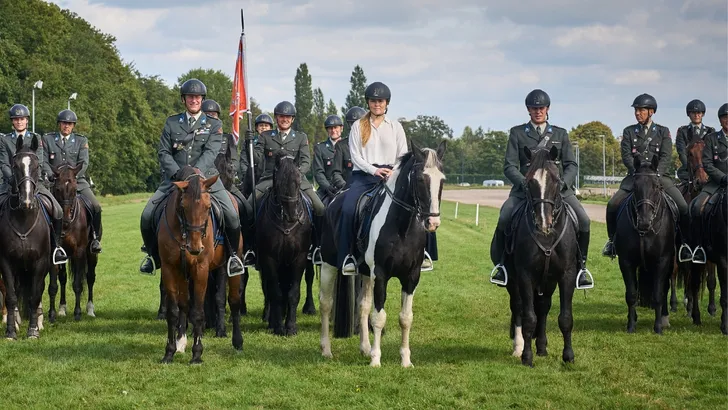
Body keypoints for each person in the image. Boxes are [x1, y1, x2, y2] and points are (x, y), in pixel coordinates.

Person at [489, 89, 593, 289]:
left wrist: (563, 183)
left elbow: (571, 164)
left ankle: (581, 268)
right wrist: (524, 183)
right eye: (534, 108)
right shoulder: (517, 133)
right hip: (525, 190)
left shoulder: (560, 134)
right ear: (528, 110)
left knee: (584, 220)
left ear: (547, 109)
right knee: (505, 217)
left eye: (541, 108)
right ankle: (502, 265)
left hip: (557, 190)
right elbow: (509, 166)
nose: (538, 111)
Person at [139, 79, 244, 276]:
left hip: (207, 179)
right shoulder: (171, 122)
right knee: (146, 216)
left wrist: (195, 176)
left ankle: (232, 257)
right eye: (190, 97)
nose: (194, 100)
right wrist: (179, 174)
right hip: (175, 179)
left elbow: (211, 152)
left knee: (231, 214)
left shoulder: (214, 124)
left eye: (197, 97)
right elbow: (163, 152)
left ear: (202, 99)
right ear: (184, 99)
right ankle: (152, 257)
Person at [602, 93, 692, 262]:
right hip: (635, 178)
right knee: (612, 204)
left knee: (682, 206)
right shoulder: (629, 132)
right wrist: (638, 172)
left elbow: (666, 156)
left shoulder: (663, 131)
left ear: (651, 112)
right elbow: (627, 156)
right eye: (636, 110)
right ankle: (612, 242)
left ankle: (684, 244)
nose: (637, 113)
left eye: (641, 110)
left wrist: (656, 174)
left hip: (659, 177)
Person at [338, 82, 409, 274]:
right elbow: (355, 156)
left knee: (418, 207)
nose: (377, 104)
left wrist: (393, 171)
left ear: (387, 103)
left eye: (380, 101)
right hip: (364, 177)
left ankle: (424, 254)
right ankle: (348, 256)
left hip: (391, 176)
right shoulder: (358, 127)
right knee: (347, 209)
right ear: (367, 103)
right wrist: (373, 170)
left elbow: (403, 155)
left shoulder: (396, 127)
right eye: (373, 101)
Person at [0, 104, 67, 264]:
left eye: (22, 119)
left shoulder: (36, 138)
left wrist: (40, 179)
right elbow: (3, 163)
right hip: (10, 184)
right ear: (12, 122)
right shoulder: (5, 140)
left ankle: (56, 247)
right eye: (16, 119)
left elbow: (41, 162)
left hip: (34, 184)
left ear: (27, 121)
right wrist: (12, 179)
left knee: (57, 210)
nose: (19, 122)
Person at [42, 109, 103, 254]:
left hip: (77, 182)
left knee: (96, 206)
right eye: (64, 123)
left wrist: (72, 178)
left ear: (73, 125)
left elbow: (84, 163)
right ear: (59, 124)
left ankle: (94, 238)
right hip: (54, 183)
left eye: (69, 124)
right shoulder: (48, 139)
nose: (66, 126)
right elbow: (43, 161)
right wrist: (52, 176)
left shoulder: (81, 141)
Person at [253, 101, 324, 217]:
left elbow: (306, 161)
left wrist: (296, 174)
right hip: (271, 178)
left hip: (296, 179)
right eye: (281, 116)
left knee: (320, 208)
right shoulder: (265, 136)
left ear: (292, 119)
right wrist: (249, 144)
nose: (285, 119)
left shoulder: (301, 137)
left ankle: (317, 234)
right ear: (276, 117)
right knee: (248, 206)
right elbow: (257, 159)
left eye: (288, 117)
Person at [688, 103, 728, 263]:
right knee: (697, 206)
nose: (727, 120)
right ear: (720, 120)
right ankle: (699, 247)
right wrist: (723, 178)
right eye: (725, 118)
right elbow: (707, 163)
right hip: (716, 184)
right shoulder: (712, 139)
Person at [676, 99, 715, 183]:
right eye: (693, 113)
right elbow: (682, 151)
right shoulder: (683, 131)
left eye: (699, 113)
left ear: (702, 114)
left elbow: (713, 152)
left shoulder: (710, 131)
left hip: (707, 166)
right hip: (689, 167)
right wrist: (690, 167)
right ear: (689, 114)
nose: (696, 115)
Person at [330, 106, 365, 191]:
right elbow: (336, 173)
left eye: (359, 123)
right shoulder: (341, 146)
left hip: (369, 187)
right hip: (348, 188)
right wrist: (345, 186)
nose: (355, 126)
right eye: (352, 123)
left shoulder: (372, 144)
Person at [313, 115, 344, 202]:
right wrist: (327, 187)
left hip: (345, 186)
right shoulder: (320, 148)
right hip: (327, 188)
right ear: (327, 130)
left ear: (341, 128)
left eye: (335, 127)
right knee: (317, 208)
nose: (333, 131)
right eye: (330, 128)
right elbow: (318, 172)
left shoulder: (348, 146)